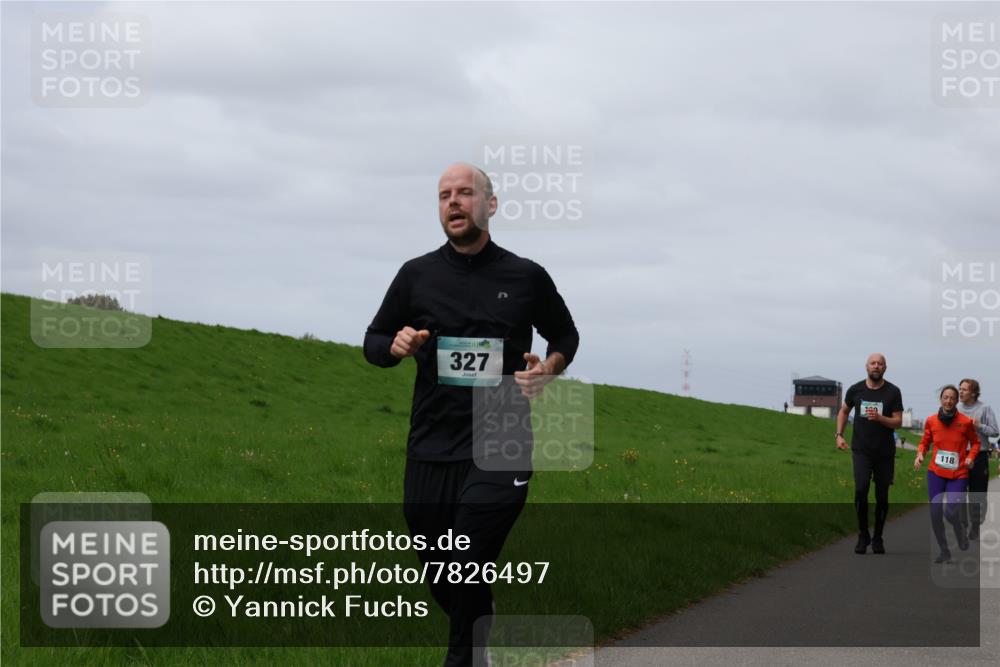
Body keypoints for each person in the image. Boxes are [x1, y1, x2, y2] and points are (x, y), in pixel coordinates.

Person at [363, 162, 580, 667]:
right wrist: (393, 346)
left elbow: (565, 335)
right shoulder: (416, 275)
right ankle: (480, 614)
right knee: (441, 569)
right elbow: (373, 341)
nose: (453, 202)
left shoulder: (526, 276)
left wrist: (548, 367)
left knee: (466, 561)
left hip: (501, 438)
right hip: (432, 443)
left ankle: (465, 657)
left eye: (465, 193)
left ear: (491, 204)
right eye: (444, 195)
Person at [836, 353, 903, 555]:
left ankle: (878, 538)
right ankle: (863, 534)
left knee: (882, 496)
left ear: (885, 368)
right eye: (873, 363)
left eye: (880, 364)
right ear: (866, 366)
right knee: (861, 490)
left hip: (884, 452)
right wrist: (839, 434)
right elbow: (844, 411)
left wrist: (881, 418)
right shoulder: (856, 389)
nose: (876, 366)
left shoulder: (893, 392)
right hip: (861, 451)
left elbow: (898, 421)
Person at [914, 385, 980, 563]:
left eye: (952, 398)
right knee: (935, 513)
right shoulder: (931, 420)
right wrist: (920, 454)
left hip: (958, 474)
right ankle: (944, 551)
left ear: (957, 401)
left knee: (951, 513)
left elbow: (975, 443)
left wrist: (970, 457)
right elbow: (925, 442)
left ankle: (960, 532)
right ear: (941, 399)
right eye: (945, 397)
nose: (949, 401)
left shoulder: (965, 422)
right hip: (935, 472)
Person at [957, 378, 999, 540]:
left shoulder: (985, 408)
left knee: (978, 494)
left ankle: (976, 525)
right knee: (958, 491)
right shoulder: (956, 408)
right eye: (960, 388)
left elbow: (995, 432)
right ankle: (962, 522)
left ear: (974, 393)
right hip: (960, 456)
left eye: (965, 389)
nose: (960, 392)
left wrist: (979, 426)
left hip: (979, 456)